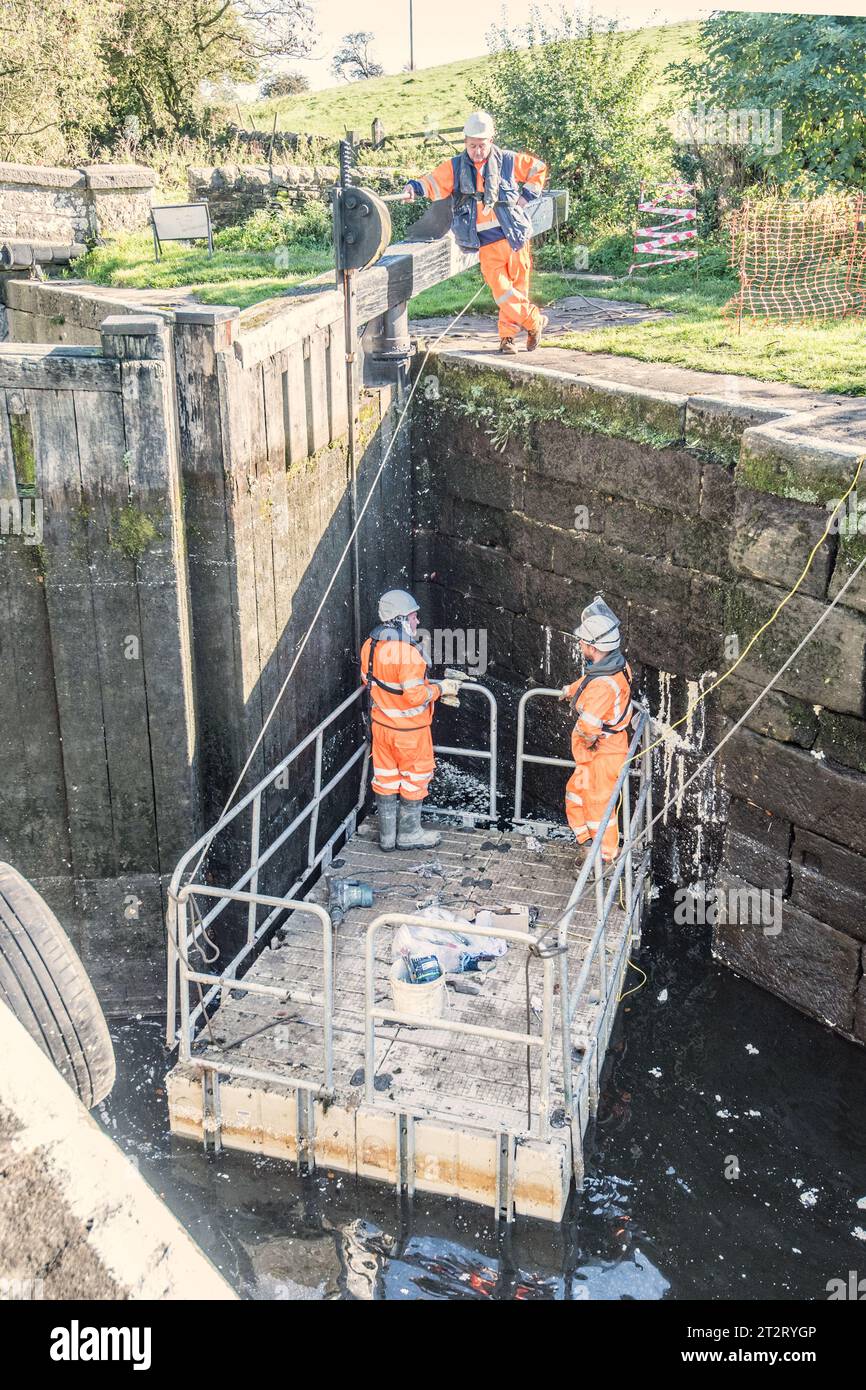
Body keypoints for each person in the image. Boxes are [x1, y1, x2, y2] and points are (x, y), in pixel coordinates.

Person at [402, 110, 549, 355]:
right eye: (472, 146)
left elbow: (538, 169)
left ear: (490, 141)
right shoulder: (456, 167)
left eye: (481, 145)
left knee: (518, 290)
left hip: (516, 238)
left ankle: (507, 338)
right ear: (465, 143)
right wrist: (413, 188)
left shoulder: (509, 161)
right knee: (503, 292)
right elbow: (433, 182)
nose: (477, 151)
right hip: (487, 243)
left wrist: (525, 198)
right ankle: (535, 322)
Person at [360, 589, 460, 851]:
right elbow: (415, 696)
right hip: (409, 733)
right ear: (400, 620)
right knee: (415, 779)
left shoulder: (369, 646)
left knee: (386, 778)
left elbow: (372, 683)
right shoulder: (408, 653)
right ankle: (408, 834)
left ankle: (386, 837)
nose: (417, 622)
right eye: (414, 617)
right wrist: (441, 689)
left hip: (381, 729)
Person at [559, 600, 633, 864]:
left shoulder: (604, 686)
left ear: (593, 647)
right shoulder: (616, 666)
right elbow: (591, 679)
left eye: (582, 642)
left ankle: (604, 862)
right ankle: (587, 845)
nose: (580, 645)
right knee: (576, 795)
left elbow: (590, 728)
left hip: (602, 754)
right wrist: (571, 690)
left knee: (598, 807)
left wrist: (586, 740)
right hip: (599, 754)